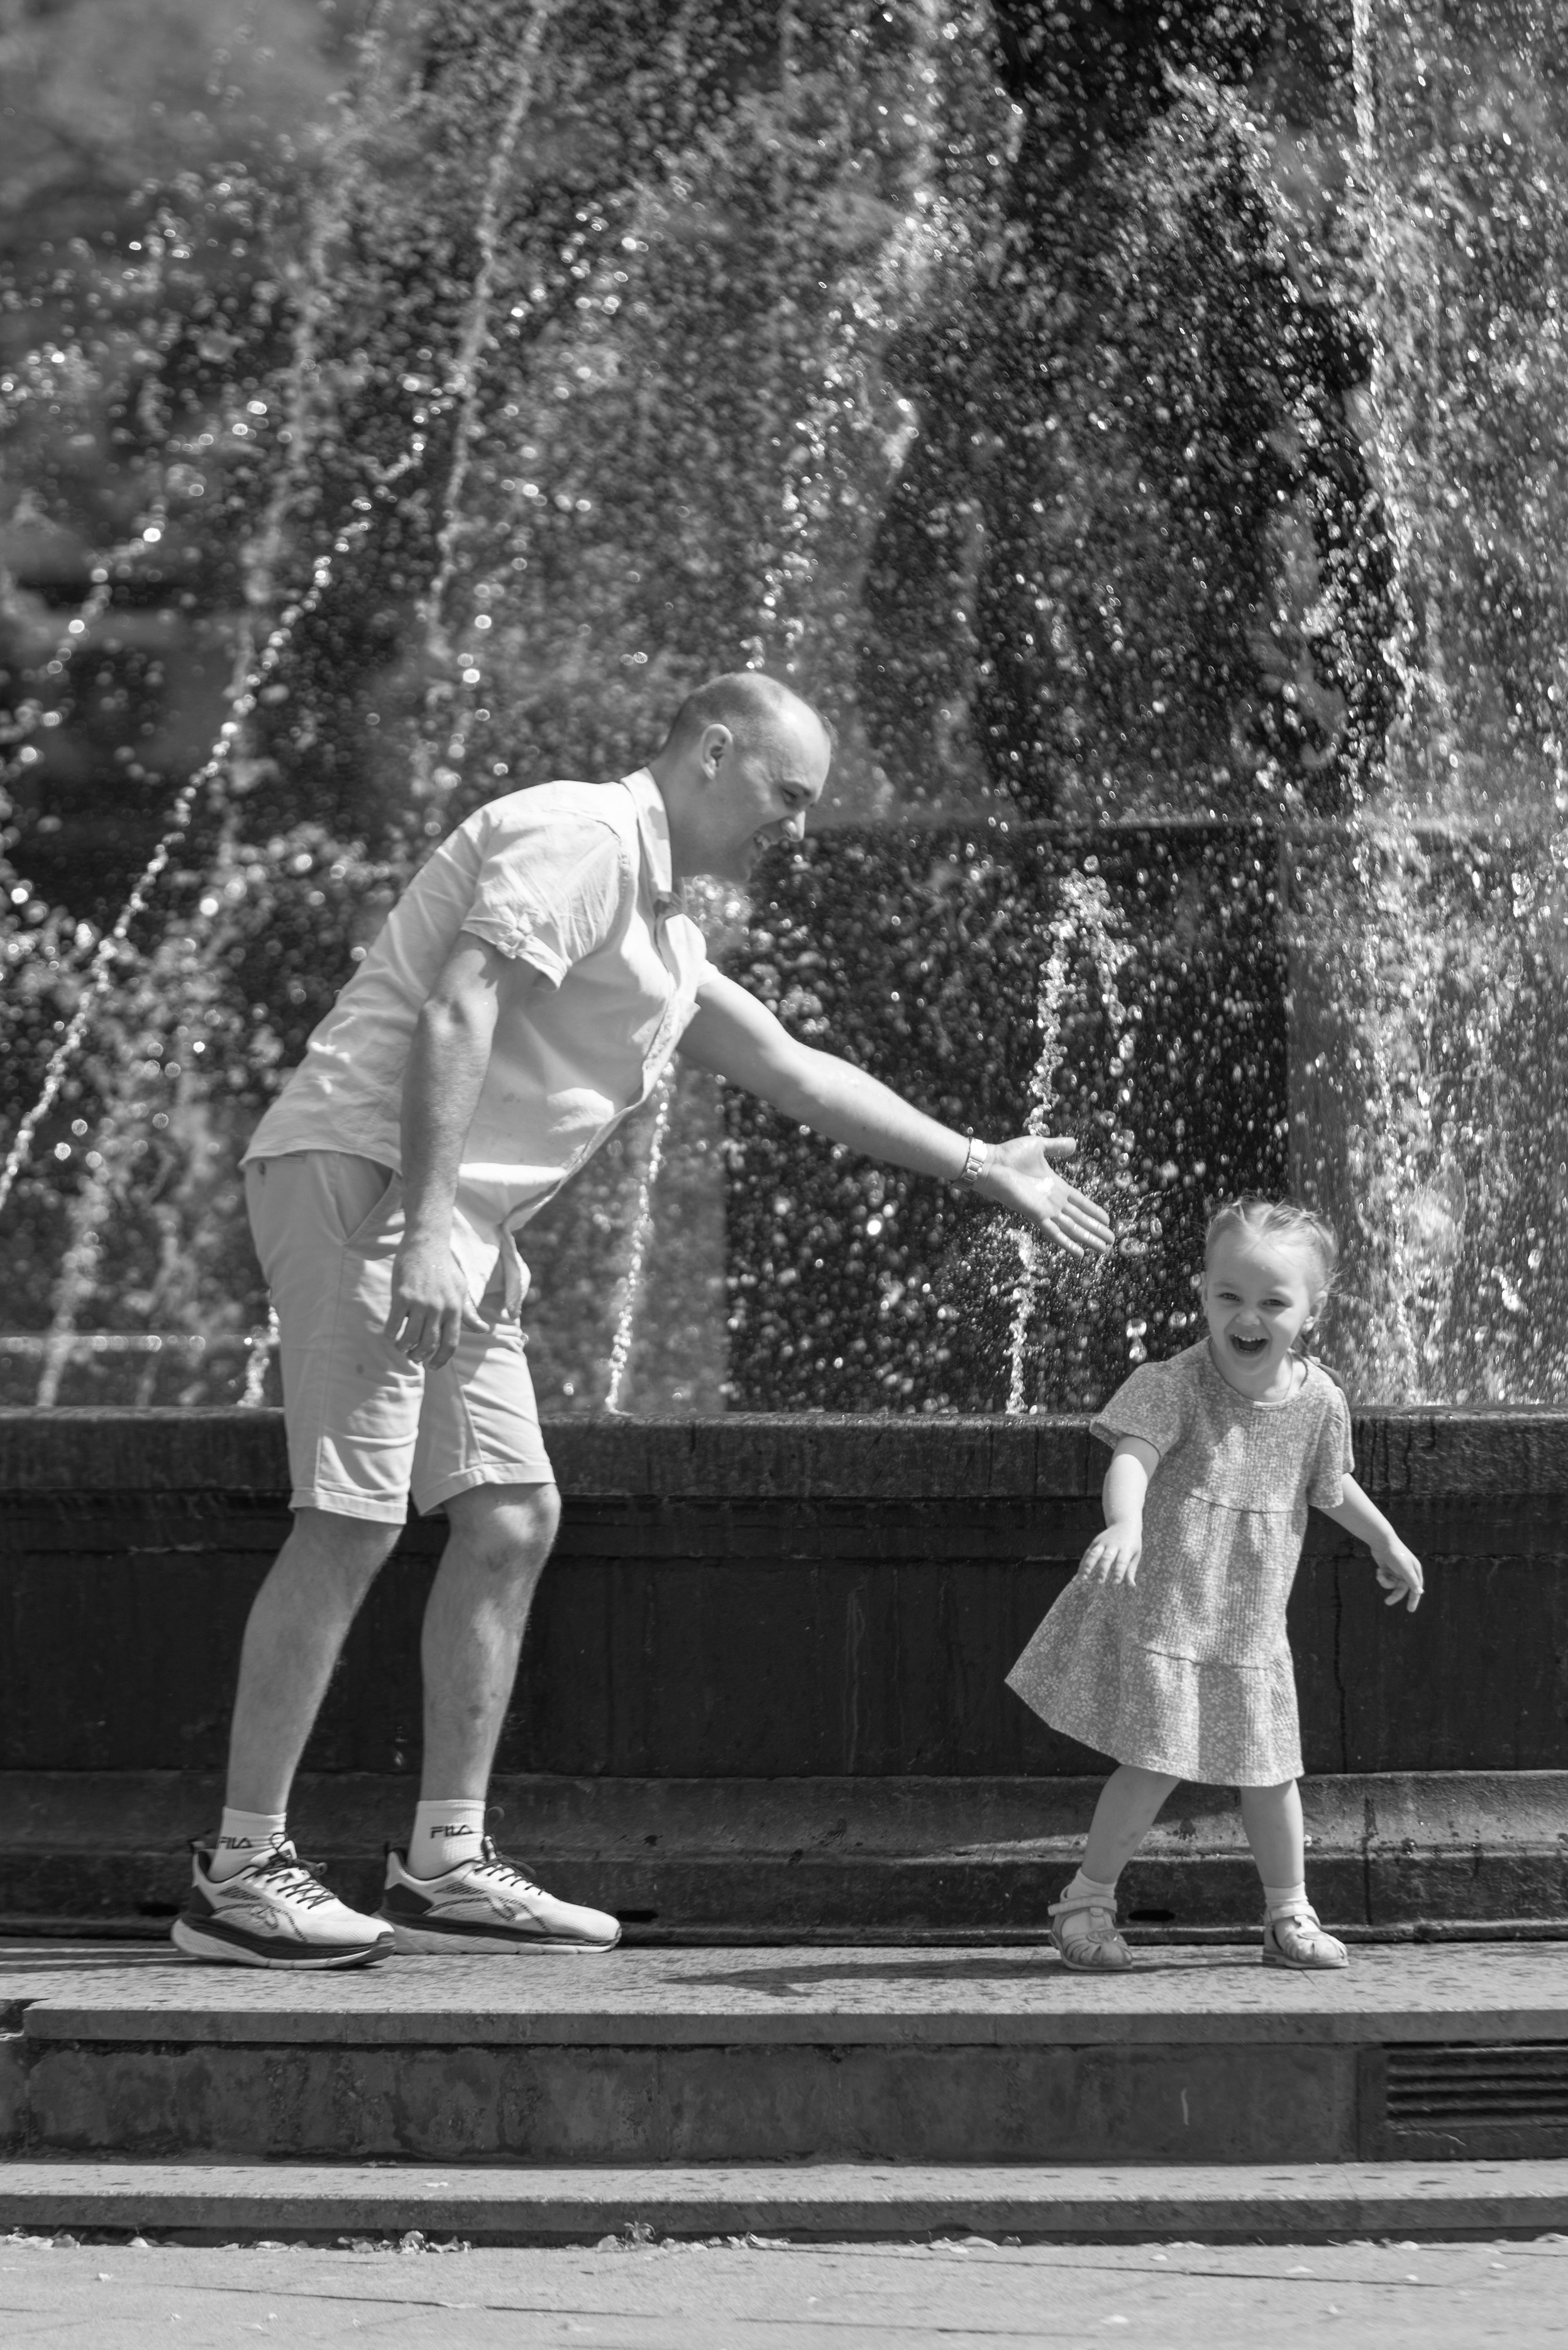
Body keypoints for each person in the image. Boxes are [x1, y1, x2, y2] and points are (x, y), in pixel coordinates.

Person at [170, 670, 1115, 1968]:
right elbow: (458, 1006)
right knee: (351, 1515)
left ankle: (445, 1854)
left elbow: (791, 1065)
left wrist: (979, 1161)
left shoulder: (661, 928)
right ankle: (238, 1868)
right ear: (714, 751)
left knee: (508, 1513)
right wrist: (441, 1218)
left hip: (443, 1215)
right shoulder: (583, 835)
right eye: (788, 795)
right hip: (369, 1181)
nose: (798, 826)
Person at [1007, 1194, 1423, 1975]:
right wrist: (1125, 1521)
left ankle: (1286, 1913)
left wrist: (1387, 1538)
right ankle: (1084, 1902)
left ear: (1312, 1308)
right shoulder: (1173, 1383)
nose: (1248, 1316)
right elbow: (1132, 1456)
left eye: (1272, 1300)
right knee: (1154, 1762)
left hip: (1249, 1628)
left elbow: (1328, 1485)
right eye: (1229, 1295)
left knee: (1272, 1774)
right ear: (1202, 1292)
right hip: (1169, 1610)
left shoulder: (1319, 1401)